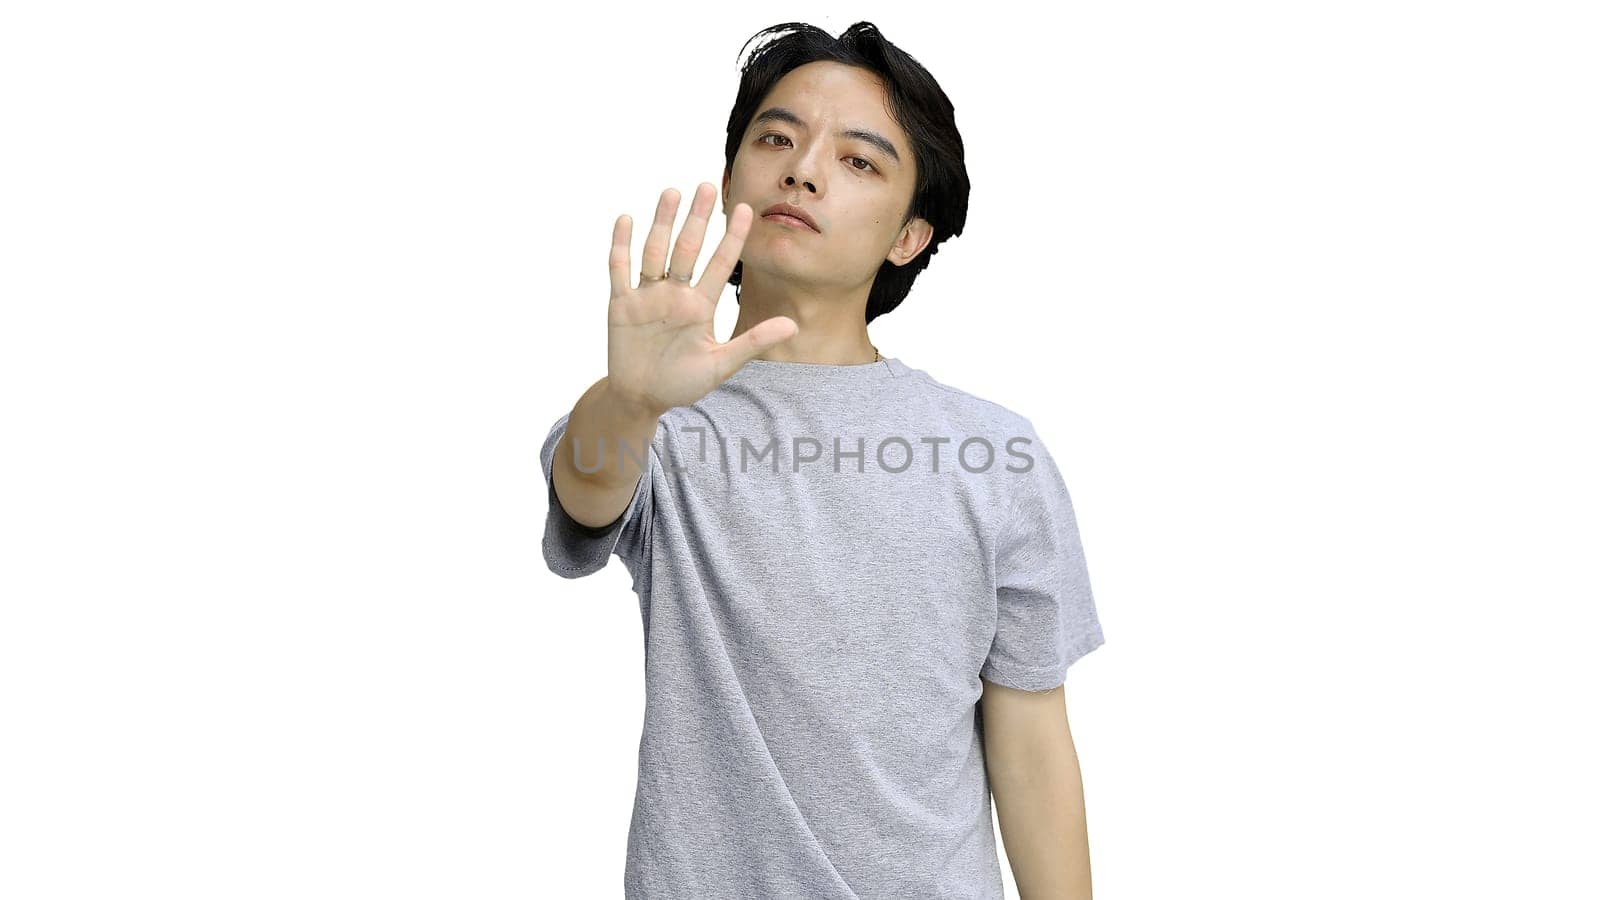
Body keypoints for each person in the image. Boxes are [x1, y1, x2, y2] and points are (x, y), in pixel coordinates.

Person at [540, 21, 1105, 900]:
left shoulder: (996, 453)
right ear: (733, 178)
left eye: (859, 161)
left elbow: (1031, 744)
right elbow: (583, 493)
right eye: (775, 138)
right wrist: (636, 400)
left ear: (909, 237)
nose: (801, 168)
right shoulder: (658, 423)